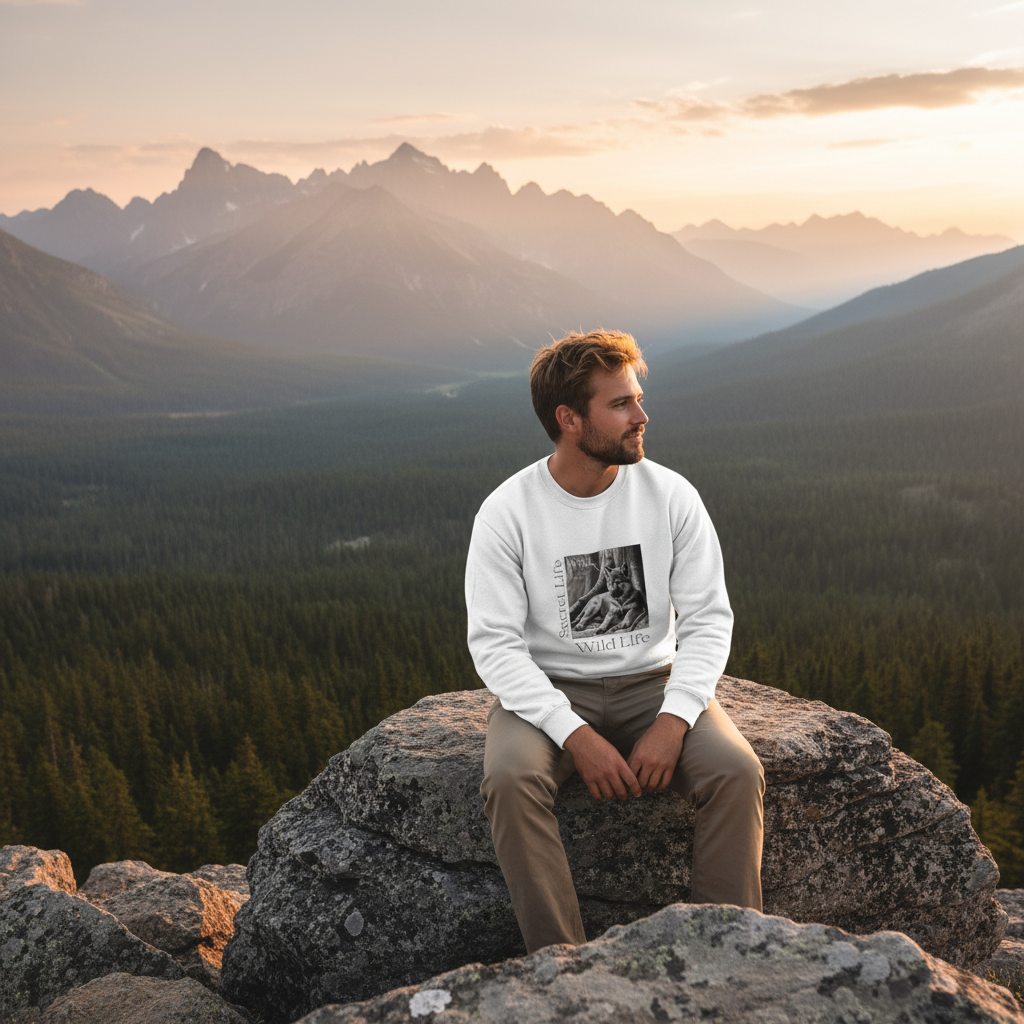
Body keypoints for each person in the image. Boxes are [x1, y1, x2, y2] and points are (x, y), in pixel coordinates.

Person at [465, 329, 764, 954]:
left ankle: (724, 956)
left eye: (638, 398)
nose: (642, 416)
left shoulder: (671, 495)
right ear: (569, 419)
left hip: (653, 683)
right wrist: (574, 734)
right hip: (549, 691)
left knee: (736, 770)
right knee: (512, 780)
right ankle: (564, 965)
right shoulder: (508, 511)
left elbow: (709, 617)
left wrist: (674, 721)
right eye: (621, 404)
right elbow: (494, 645)